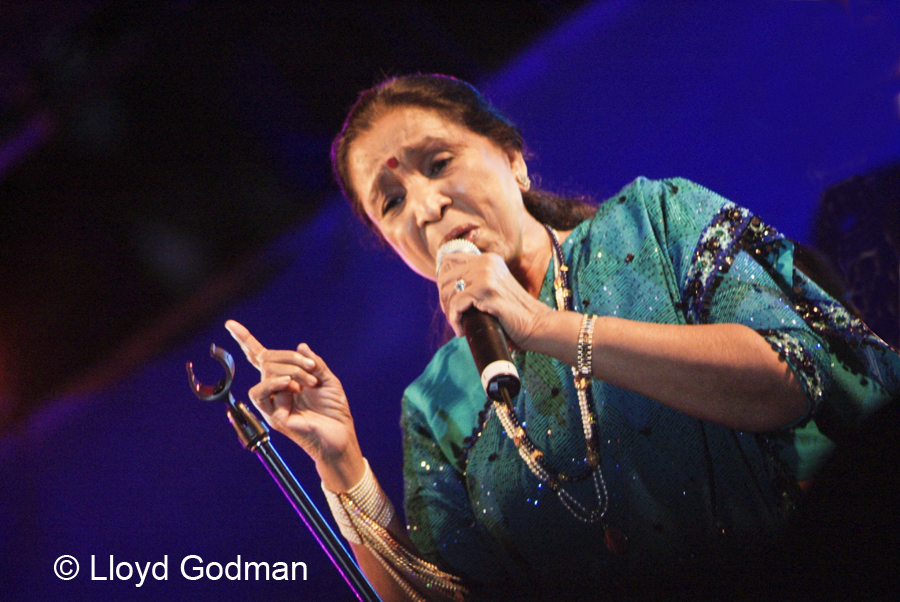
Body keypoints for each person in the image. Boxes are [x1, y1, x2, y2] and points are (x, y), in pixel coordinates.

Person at [224, 74, 900, 601]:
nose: (426, 207)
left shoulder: (652, 220)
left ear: (514, 160)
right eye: (391, 202)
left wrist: (544, 328)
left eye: (437, 163)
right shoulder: (437, 407)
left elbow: (788, 379)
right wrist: (340, 465)